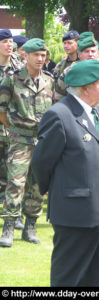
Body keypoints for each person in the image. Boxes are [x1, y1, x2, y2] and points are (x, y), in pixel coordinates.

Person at [31, 60, 99, 287]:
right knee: (69, 277)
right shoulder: (60, 115)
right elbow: (41, 163)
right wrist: (57, 192)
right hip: (77, 213)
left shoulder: (94, 112)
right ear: (85, 88)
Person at [0, 38, 54, 247]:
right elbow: (2, 111)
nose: (40, 59)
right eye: (36, 55)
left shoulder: (49, 80)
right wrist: (15, 128)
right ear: (26, 56)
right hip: (20, 140)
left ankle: (31, 225)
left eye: (43, 55)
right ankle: (9, 228)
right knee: (15, 183)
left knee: (38, 185)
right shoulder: (12, 80)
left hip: (42, 141)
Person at [56, 34, 99, 129]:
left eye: (93, 51)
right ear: (79, 53)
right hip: (75, 123)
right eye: (86, 51)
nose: (90, 54)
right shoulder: (69, 73)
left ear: (98, 52)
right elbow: (59, 97)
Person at [0, 29, 24, 229]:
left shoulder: (19, 66)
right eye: (5, 41)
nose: (10, 45)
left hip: (13, 129)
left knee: (14, 174)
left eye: (10, 41)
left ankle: (15, 215)